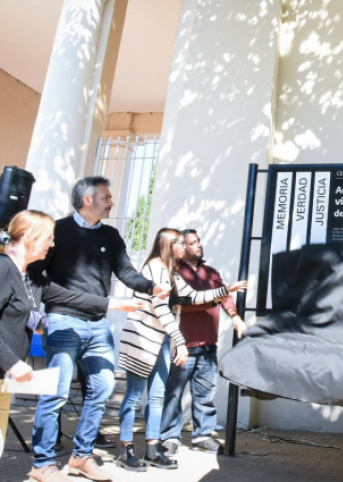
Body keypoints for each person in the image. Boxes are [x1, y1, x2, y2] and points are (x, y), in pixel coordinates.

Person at [29, 177, 170, 482]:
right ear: (88, 200)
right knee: (55, 393)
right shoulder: (58, 231)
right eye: (106, 196)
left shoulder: (111, 235)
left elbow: (127, 271)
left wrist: (151, 286)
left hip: (97, 326)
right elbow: (37, 278)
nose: (112, 202)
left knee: (103, 388)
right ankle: (42, 464)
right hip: (63, 323)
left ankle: (81, 456)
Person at [0, 211, 143, 464]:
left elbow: (69, 297)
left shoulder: (31, 277)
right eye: (48, 238)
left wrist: (114, 304)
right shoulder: (2, 269)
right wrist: (11, 361)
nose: (52, 244)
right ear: (30, 237)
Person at [117, 228, 243, 472]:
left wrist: (226, 291)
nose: (186, 247)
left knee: (157, 395)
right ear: (168, 244)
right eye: (181, 243)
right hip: (144, 338)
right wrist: (180, 339)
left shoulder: (173, 270)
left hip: (164, 340)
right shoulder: (155, 267)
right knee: (136, 396)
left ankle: (152, 449)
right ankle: (127, 449)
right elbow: (164, 307)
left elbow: (192, 296)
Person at [158, 230, 248, 457]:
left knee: (205, 394)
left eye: (198, 241)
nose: (198, 245)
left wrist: (235, 316)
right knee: (174, 394)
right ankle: (169, 437)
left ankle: (203, 436)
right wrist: (212, 299)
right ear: (182, 247)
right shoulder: (175, 271)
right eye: (192, 243)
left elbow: (225, 296)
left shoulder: (211, 272)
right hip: (182, 346)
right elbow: (184, 302)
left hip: (208, 345)